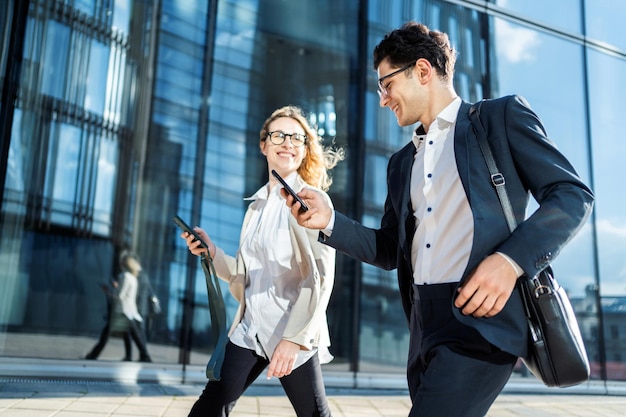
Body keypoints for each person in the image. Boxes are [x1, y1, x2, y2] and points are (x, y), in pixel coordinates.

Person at [281, 22, 594, 417]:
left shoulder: (498, 119)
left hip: (483, 319)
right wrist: (329, 221)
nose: (382, 99)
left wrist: (509, 262)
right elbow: (389, 249)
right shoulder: (400, 164)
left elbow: (571, 196)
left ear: (423, 71)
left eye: (386, 84)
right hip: (424, 324)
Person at [181, 105, 344, 417]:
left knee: (315, 415)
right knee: (209, 408)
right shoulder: (256, 206)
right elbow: (245, 274)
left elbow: (320, 279)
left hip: (291, 329)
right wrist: (212, 252)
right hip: (250, 328)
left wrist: (294, 340)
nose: (287, 143)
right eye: (279, 135)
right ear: (264, 145)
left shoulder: (311, 202)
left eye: (297, 138)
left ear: (305, 148)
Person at [85, 250, 152, 362]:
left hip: (122, 311)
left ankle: (93, 355)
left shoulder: (124, 277)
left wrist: (109, 291)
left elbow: (119, 296)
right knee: (131, 335)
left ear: (123, 264)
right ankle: (141, 355)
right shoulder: (133, 278)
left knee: (106, 335)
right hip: (129, 311)